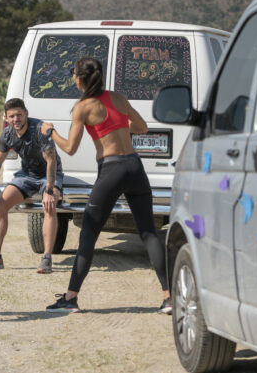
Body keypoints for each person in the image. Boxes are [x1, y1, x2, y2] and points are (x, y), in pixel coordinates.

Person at [44, 57, 170, 314]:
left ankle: (70, 298)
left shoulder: (82, 107)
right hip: (135, 167)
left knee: (88, 234)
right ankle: (169, 298)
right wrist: (119, 128)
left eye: (72, 73)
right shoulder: (118, 98)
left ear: (79, 78)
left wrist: (50, 132)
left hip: (111, 170)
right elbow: (142, 127)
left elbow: (70, 148)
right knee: (148, 233)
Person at [0, 98, 64, 274]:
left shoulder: (40, 129)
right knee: (0, 204)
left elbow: (51, 161)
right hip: (27, 175)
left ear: (26, 114)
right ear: (6, 118)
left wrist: (49, 190)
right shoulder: (7, 134)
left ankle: (46, 258)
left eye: (19, 115)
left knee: (49, 205)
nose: (16, 119)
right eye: (12, 116)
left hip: (49, 173)